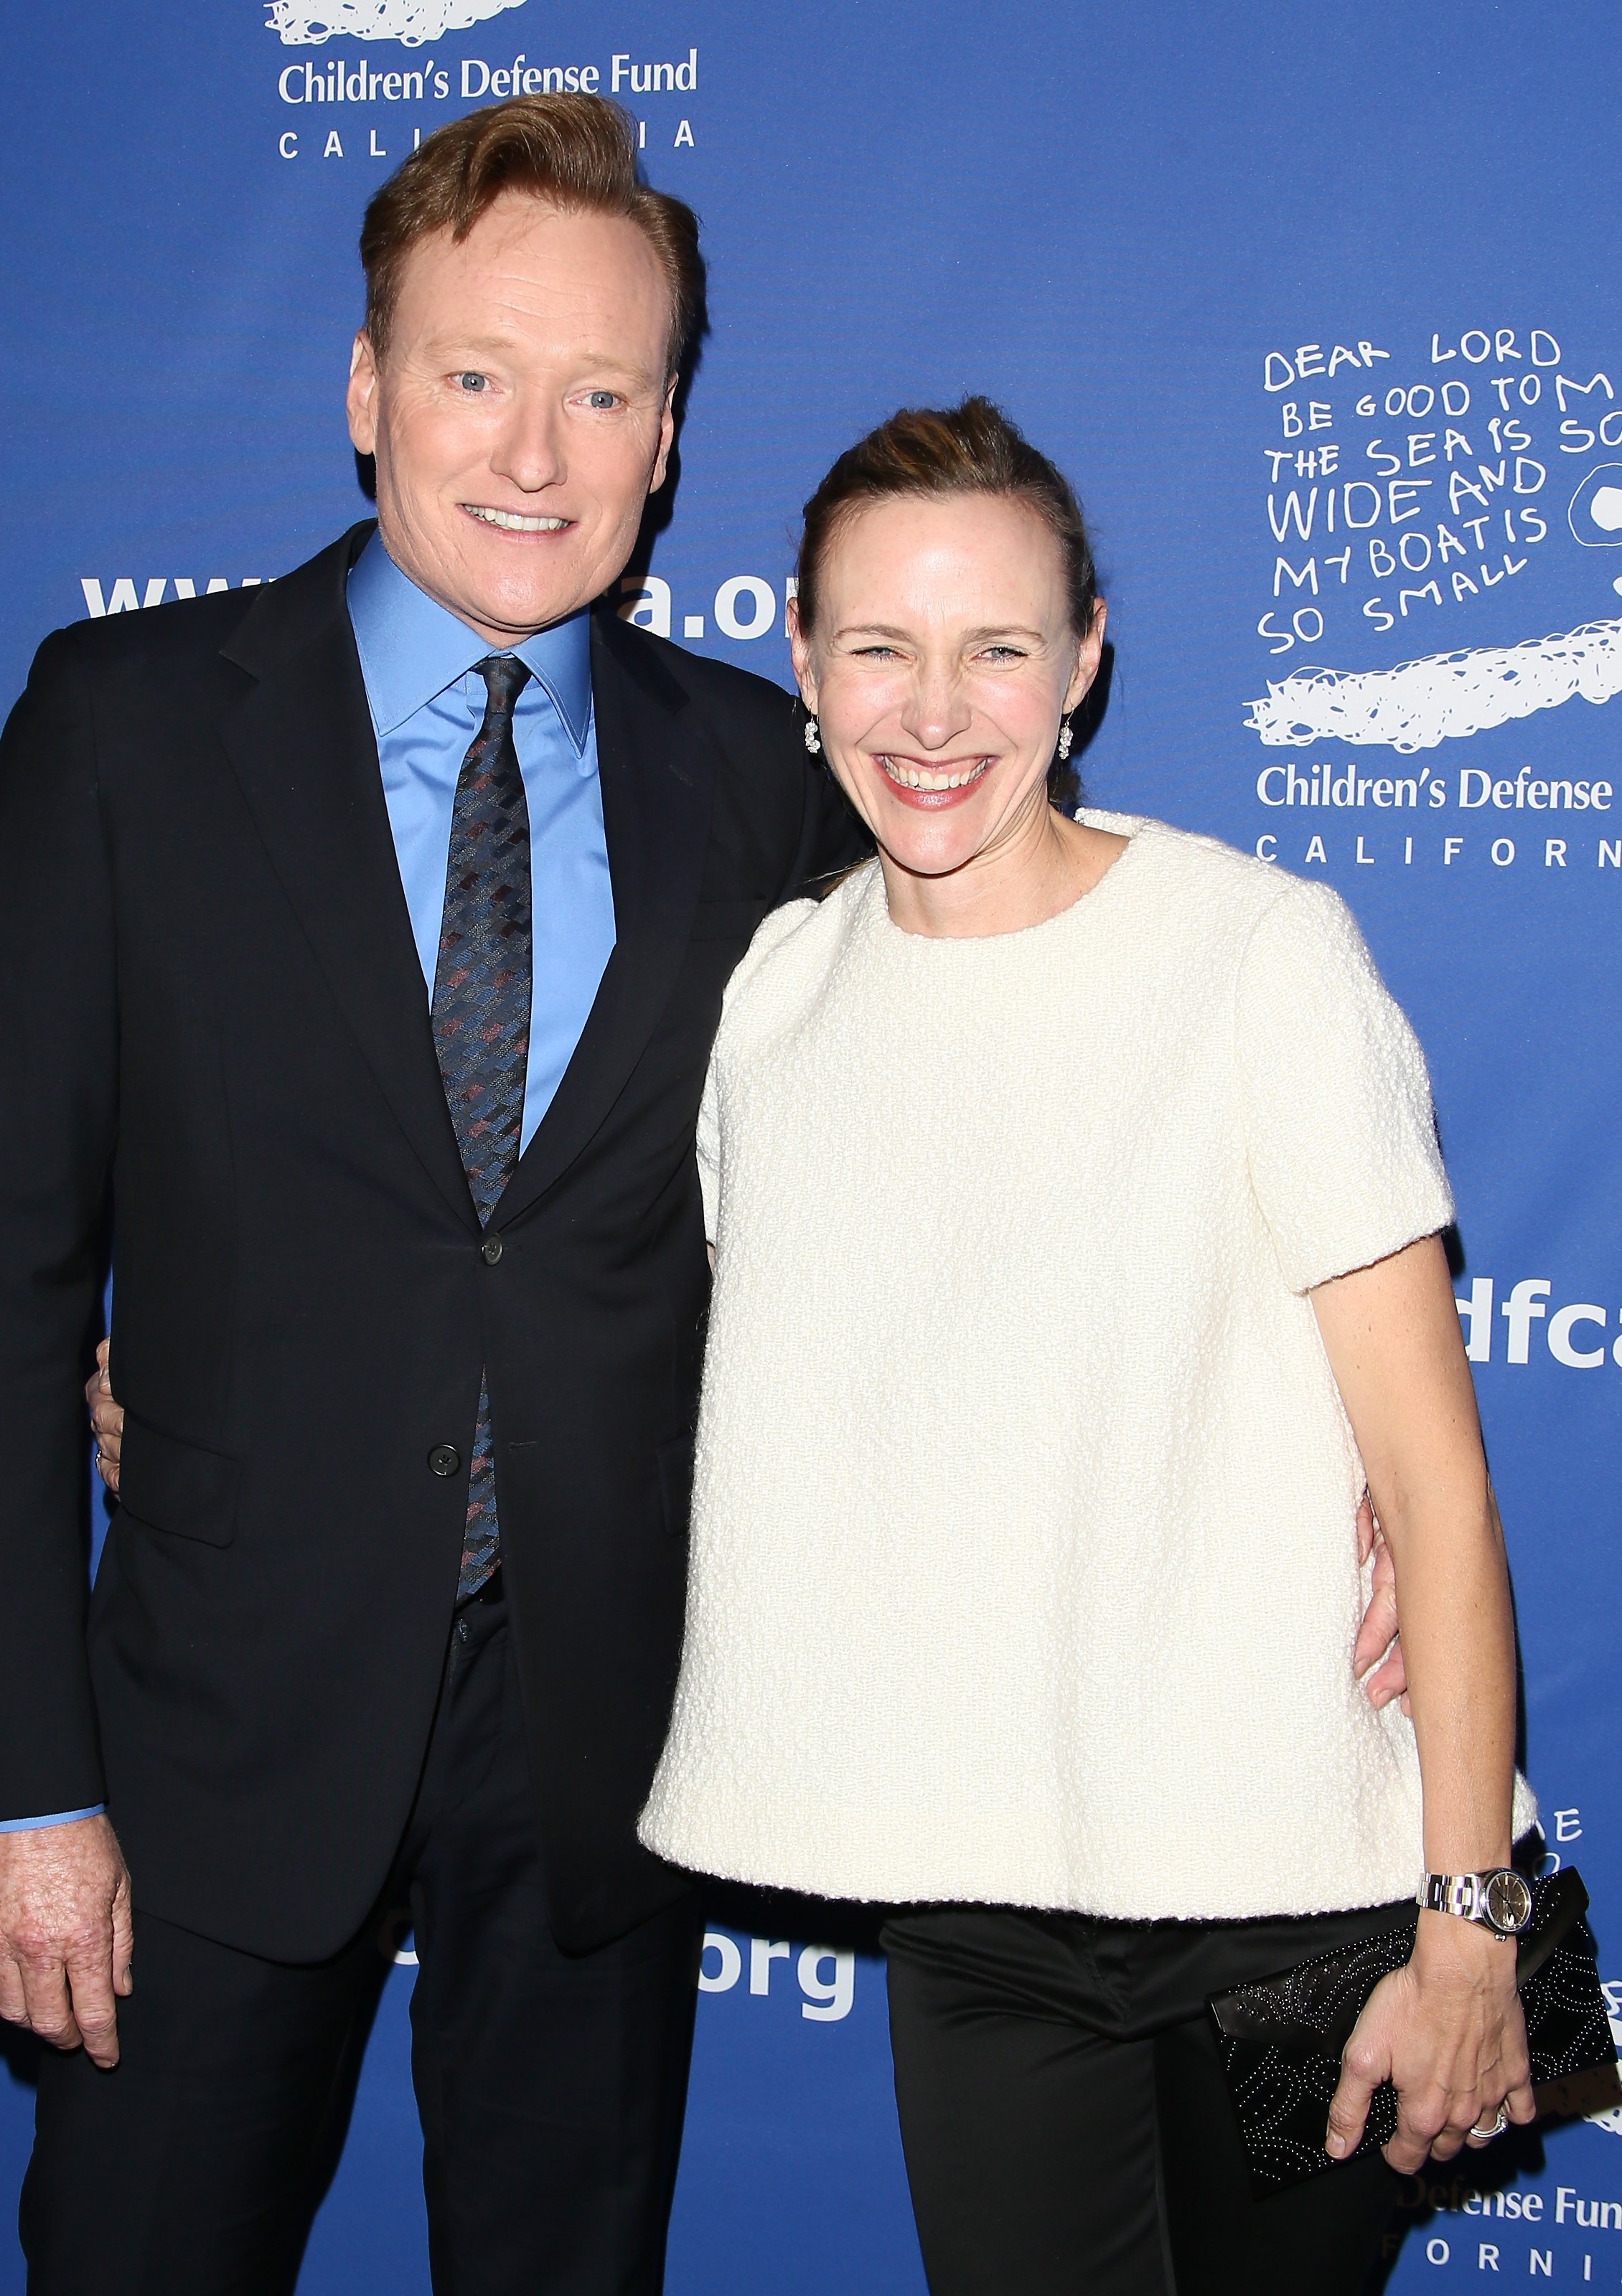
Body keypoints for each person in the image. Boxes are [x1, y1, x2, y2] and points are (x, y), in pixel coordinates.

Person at [0, 93, 866, 2296]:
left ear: (667, 437)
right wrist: (21, 1790)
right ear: (365, 391)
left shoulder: (764, 782)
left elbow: (1001, 1134)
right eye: (473, 375)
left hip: (604, 1755)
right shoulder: (123, 730)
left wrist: (1332, 1443)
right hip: (208, 1751)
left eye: (600, 391)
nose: (534, 453)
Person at [638, 398, 1537, 2295]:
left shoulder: (1259, 956)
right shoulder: (779, 997)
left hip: (1315, 1908)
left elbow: (1436, 1485)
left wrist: (1472, 1934)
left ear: (1087, 662)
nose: (934, 711)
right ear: (801, 659)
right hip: (982, 1916)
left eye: (997, 649)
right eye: (879, 646)